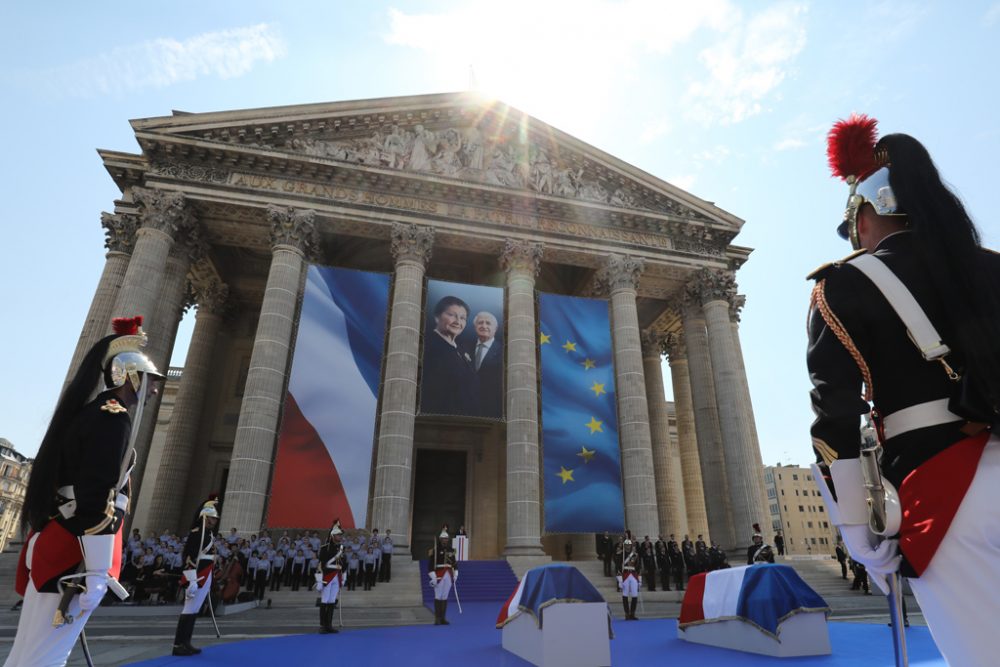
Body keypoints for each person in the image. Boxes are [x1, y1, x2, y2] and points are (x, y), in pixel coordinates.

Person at [809, 114, 1000, 666]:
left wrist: (857, 529)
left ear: (865, 214)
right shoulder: (989, 269)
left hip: (947, 496)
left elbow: (835, 418)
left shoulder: (843, 283)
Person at [7, 316, 162, 667]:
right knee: (49, 656)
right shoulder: (113, 418)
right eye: (149, 381)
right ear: (128, 377)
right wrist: (96, 571)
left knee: (26, 655)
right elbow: (97, 500)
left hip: (55, 546)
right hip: (72, 556)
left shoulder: (88, 413)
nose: (153, 390)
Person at [171, 499, 219, 657]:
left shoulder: (209, 534)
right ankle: (178, 644)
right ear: (205, 517)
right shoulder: (196, 534)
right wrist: (191, 579)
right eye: (212, 518)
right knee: (189, 609)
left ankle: (186, 642)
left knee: (194, 610)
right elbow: (188, 556)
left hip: (206, 573)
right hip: (197, 576)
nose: (214, 521)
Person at [420, 296, 480, 416]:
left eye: (463, 318)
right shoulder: (427, 345)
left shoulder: (461, 349)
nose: (458, 321)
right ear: (437, 317)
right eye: (452, 315)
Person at [471, 311, 503, 418]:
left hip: (492, 411)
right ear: (475, 326)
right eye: (480, 323)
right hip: (465, 409)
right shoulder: (464, 347)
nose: (484, 326)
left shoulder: (504, 352)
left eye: (488, 323)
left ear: (496, 328)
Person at [314, 524, 345, 634]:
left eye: (340, 535)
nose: (340, 537)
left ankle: (329, 625)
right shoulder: (324, 548)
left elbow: (343, 563)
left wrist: (343, 574)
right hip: (328, 576)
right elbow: (322, 563)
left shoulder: (341, 548)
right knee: (325, 600)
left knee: (332, 601)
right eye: (338, 535)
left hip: (337, 577)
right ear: (332, 536)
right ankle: (323, 625)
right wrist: (319, 580)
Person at [428, 528, 458, 625]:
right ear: (440, 539)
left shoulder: (451, 550)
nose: (445, 540)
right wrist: (433, 576)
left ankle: (443, 618)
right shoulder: (435, 550)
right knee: (438, 595)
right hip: (439, 574)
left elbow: (454, 562)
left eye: (446, 539)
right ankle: (437, 618)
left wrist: (456, 572)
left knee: (445, 596)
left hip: (448, 574)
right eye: (443, 539)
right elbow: (430, 565)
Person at [616, 539, 641, 620]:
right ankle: (626, 613)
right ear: (624, 545)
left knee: (634, 594)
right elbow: (618, 566)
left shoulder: (635, 554)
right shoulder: (621, 554)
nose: (628, 546)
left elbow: (638, 566)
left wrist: (639, 578)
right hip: (625, 575)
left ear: (631, 545)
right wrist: (619, 579)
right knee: (625, 594)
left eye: (629, 545)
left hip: (633, 574)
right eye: (626, 545)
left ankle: (632, 613)